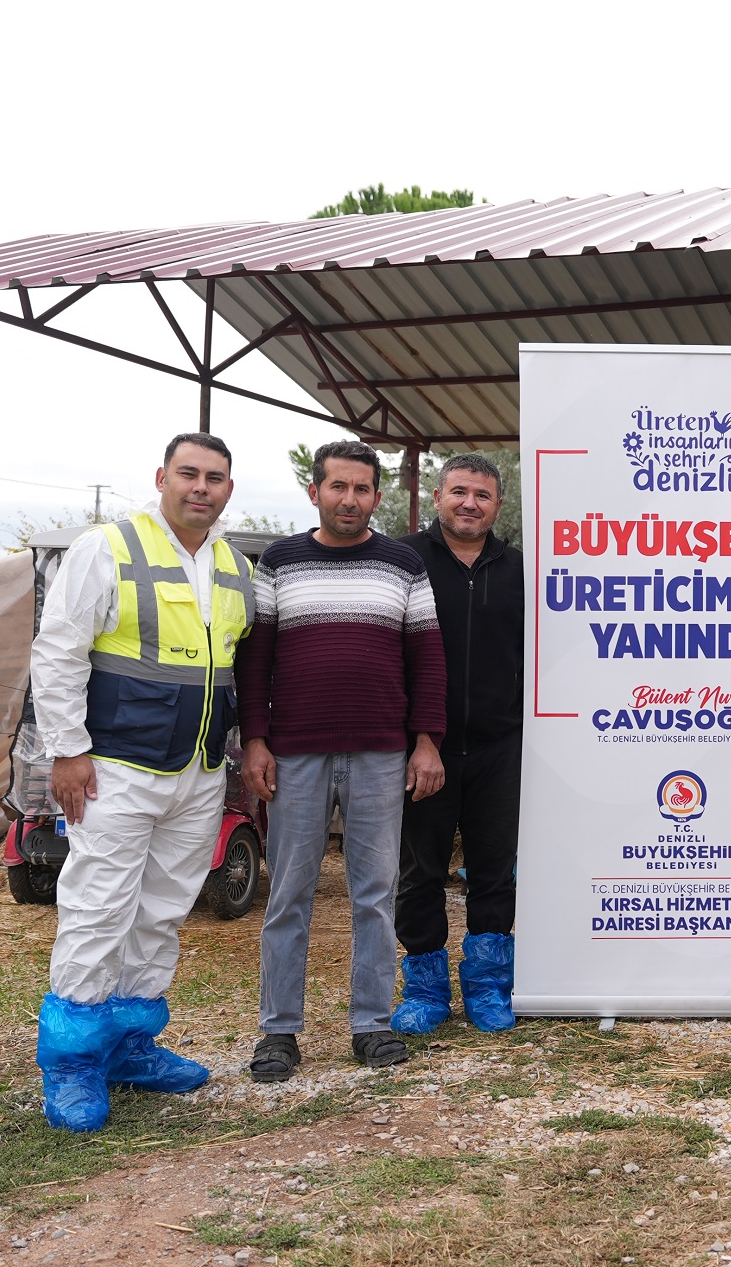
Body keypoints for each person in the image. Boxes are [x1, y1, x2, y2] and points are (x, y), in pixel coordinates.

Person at [29, 432, 254, 1132]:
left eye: (215, 477)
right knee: (99, 911)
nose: (201, 487)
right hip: (117, 768)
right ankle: (70, 1067)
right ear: (161, 477)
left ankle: (130, 1048)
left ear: (228, 489)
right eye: (188, 473)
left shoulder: (234, 565)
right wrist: (66, 752)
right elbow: (60, 646)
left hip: (199, 771)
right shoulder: (111, 546)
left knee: (160, 913)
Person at [237, 440, 447, 1081]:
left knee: (376, 895)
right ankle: (278, 1033)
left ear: (375, 498)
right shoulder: (278, 562)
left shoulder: (403, 565)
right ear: (315, 492)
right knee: (289, 894)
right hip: (295, 752)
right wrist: (254, 740)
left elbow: (427, 659)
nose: (349, 500)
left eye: (361, 489)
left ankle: (372, 1024)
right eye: (338, 487)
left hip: (382, 752)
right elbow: (255, 659)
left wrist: (427, 741)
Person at [390, 454, 524, 1035]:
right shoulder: (402, 560)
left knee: (494, 869)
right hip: (424, 745)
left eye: (484, 495)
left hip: (501, 744)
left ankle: (489, 988)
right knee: (420, 870)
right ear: (438, 497)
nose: (470, 503)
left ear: (498, 506)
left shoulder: (520, 568)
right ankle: (424, 989)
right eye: (459, 492)